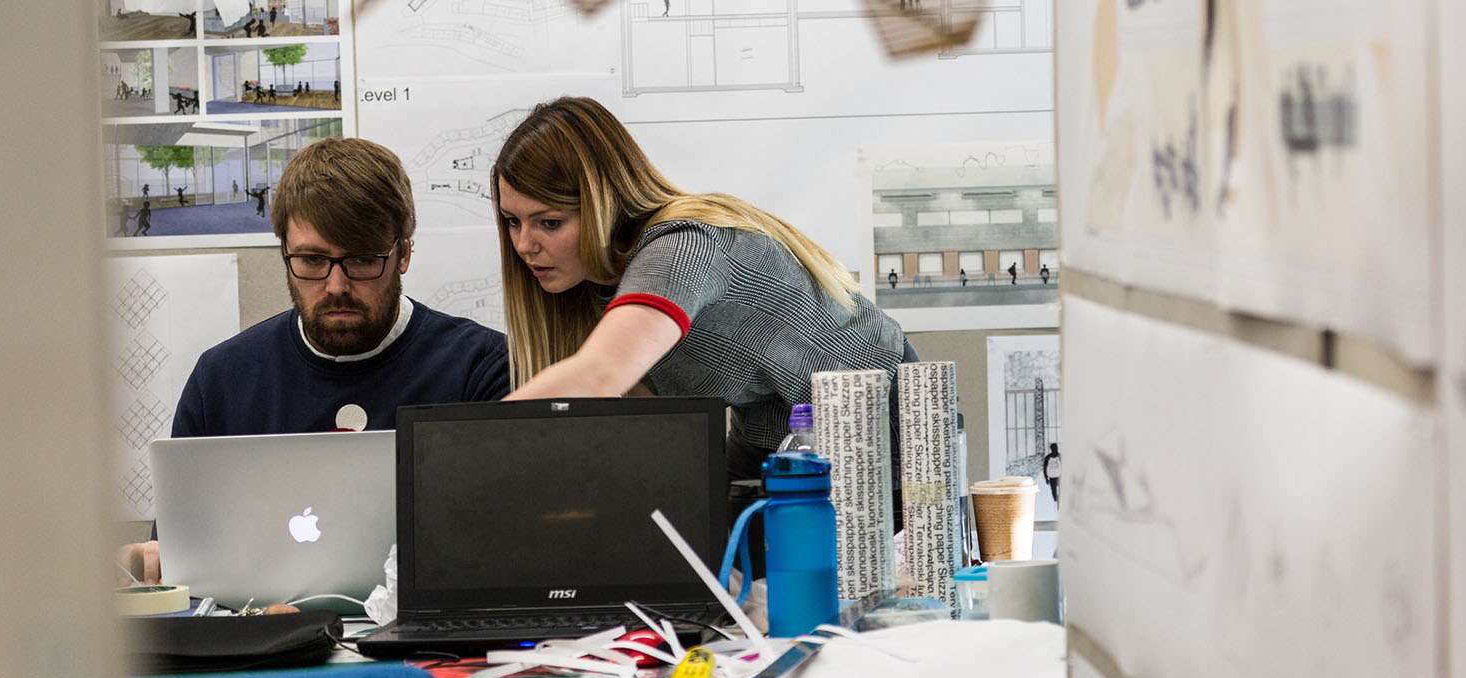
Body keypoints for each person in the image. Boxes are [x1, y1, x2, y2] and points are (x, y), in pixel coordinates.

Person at [124, 139, 511, 582]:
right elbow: (176, 560)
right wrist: (153, 563)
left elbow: (505, 548)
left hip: (427, 645)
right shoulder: (223, 380)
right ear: (285, 255)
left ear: (403, 253)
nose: (335, 285)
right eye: (312, 260)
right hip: (264, 639)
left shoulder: (481, 368)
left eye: (363, 259)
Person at [489, 96, 912, 484]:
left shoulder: (682, 249)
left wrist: (468, 445)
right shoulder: (601, 285)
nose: (525, 244)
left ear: (604, 203)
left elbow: (599, 374)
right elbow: (638, 424)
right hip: (772, 431)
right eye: (513, 221)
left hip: (878, 414)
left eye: (549, 222)